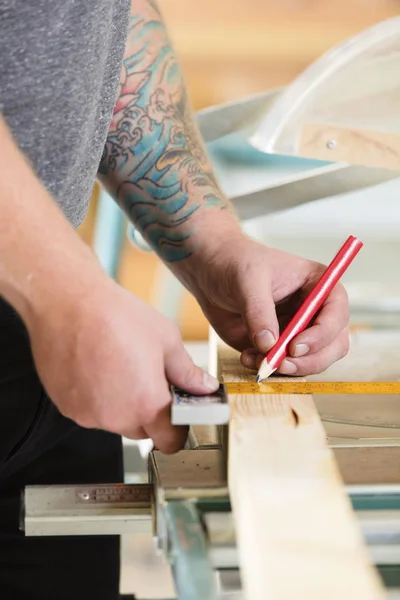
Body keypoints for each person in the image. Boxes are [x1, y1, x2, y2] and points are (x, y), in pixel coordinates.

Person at [0, 1, 350, 598]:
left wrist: (212, 242)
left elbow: (92, 20)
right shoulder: (66, 302)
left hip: (46, 365)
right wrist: (64, 293)